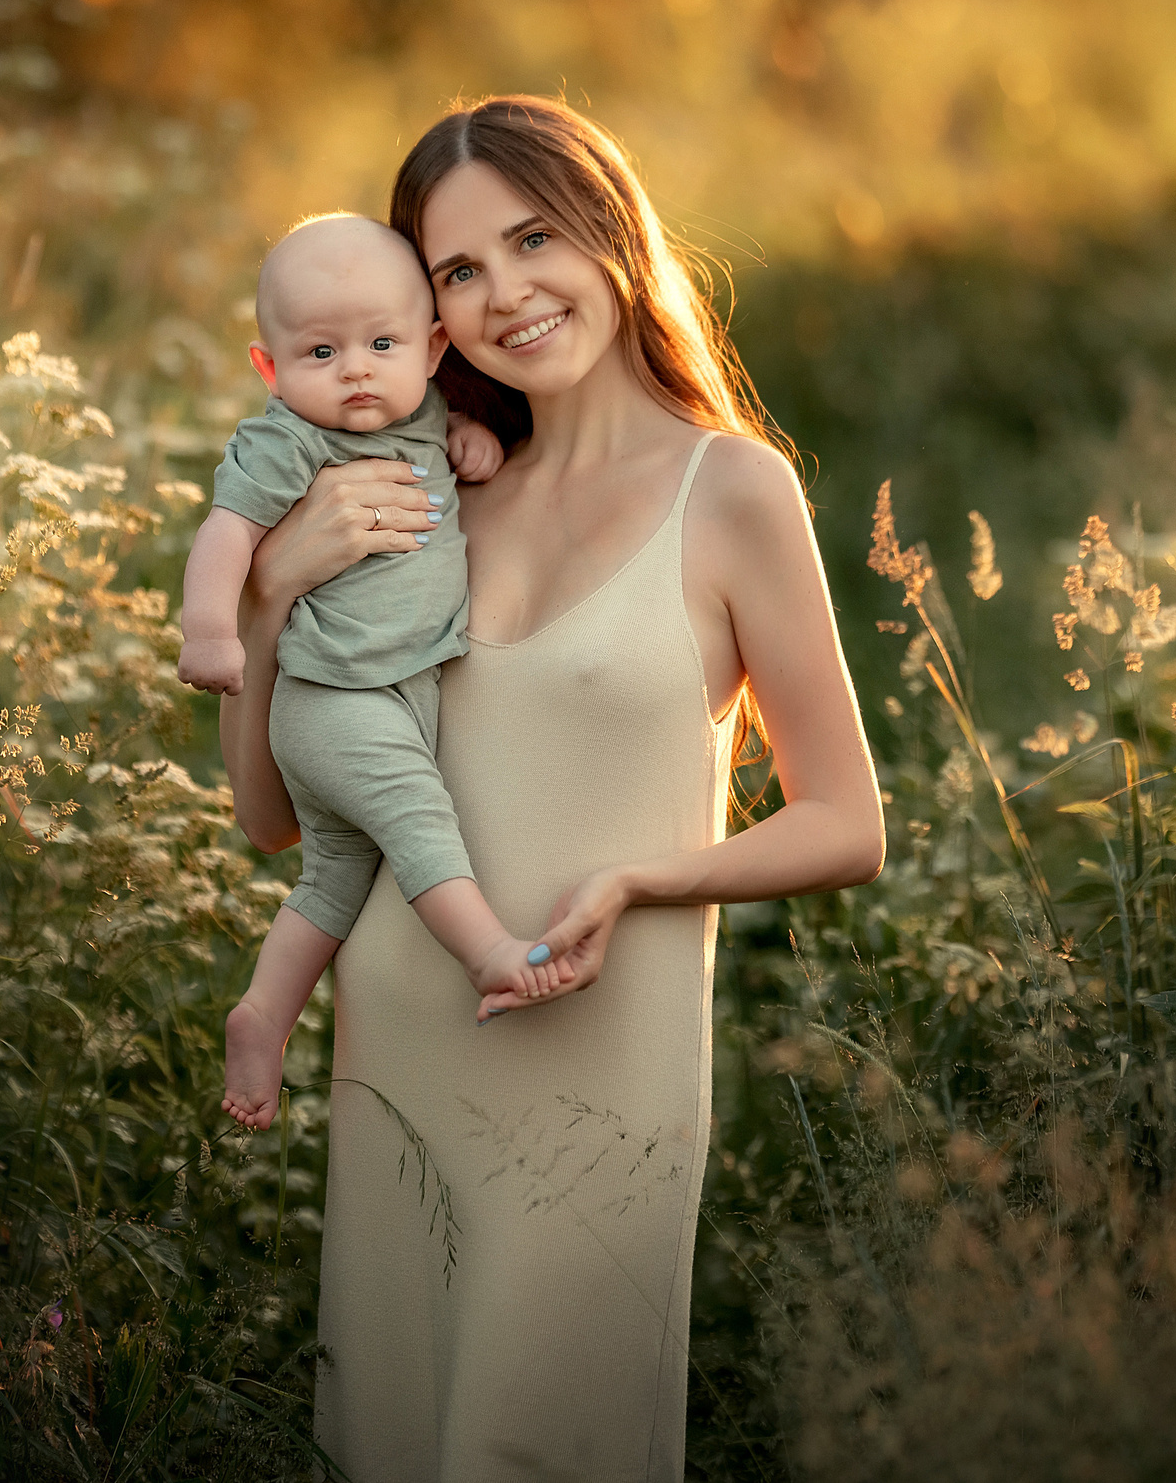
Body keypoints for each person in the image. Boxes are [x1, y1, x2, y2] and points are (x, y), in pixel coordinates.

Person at [217, 97, 885, 1481]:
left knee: (538, 1441)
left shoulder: (731, 491)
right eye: (459, 270)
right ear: (430, 311)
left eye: (534, 238)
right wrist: (274, 585)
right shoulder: (427, 496)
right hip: (401, 1047)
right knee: (398, 1440)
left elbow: (846, 822)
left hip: (599, 1064)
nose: (507, 292)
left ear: (611, 234)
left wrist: (644, 875)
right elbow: (277, 819)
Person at [178, 213, 569, 1133]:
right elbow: (224, 534)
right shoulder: (290, 443)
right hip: (335, 699)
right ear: (269, 369)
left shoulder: (424, 413)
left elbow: (441, 445)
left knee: (334, 880)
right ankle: (487, 952)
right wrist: (211, 633)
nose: (355, 369)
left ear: (432, 351)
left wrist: (470, 437)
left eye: (382, 343)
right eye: (320, 351)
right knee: (416, 814)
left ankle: (263, 1016)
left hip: (393, 696)